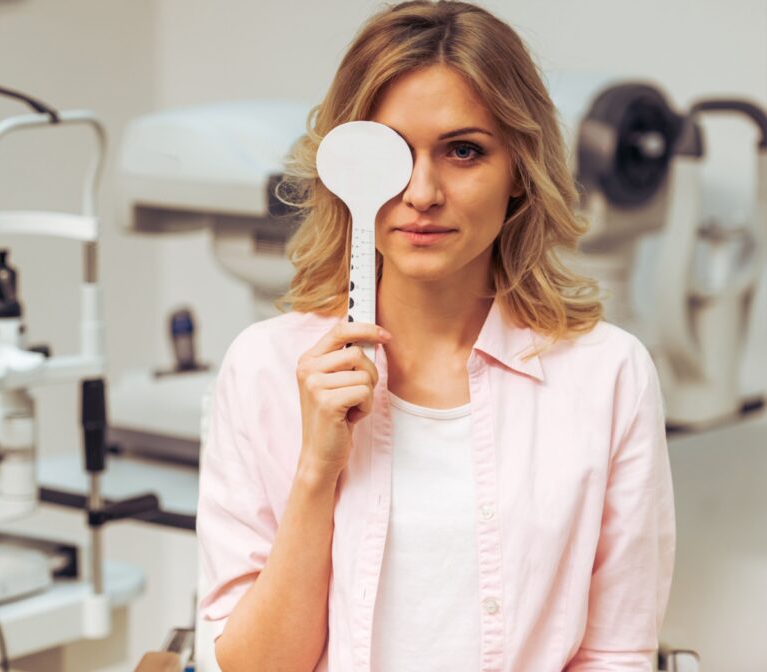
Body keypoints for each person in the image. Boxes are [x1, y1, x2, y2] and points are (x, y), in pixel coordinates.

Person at [196, 1, 676, 670]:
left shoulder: (609, 375)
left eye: (463, 151)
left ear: (519, 172)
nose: (421, 191)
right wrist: (317, 471)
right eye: (391, 153)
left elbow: (616, 653)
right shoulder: (263, 368)